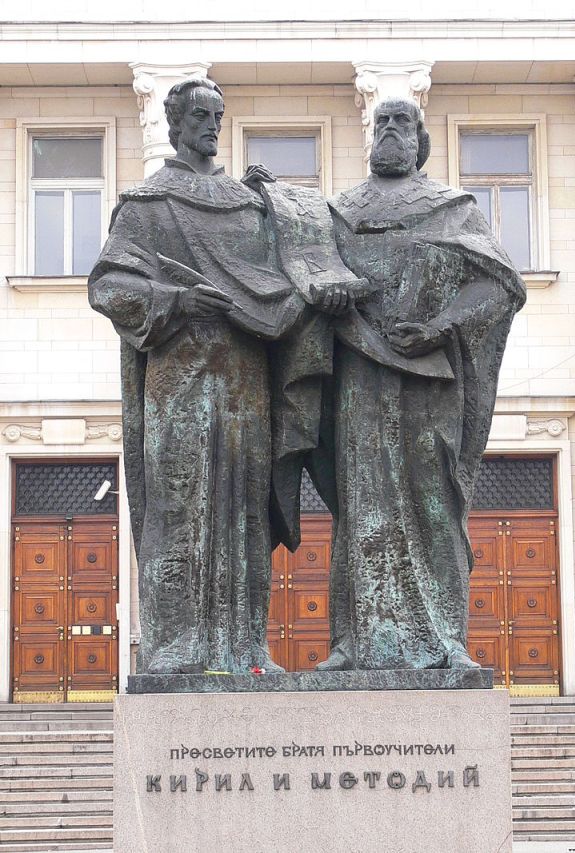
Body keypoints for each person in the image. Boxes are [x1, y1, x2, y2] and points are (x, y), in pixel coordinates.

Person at [88, 78, 350, 675]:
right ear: (174, 125)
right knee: (182, 505)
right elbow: (109, 286)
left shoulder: (246, 203)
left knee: (244, 509)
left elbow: (287, 277)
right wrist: (179, 302)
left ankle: (244, 649)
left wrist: (283, 211)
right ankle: (176, 651)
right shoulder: (147, 204)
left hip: (245, 376)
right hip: (179, 380)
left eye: (218, 115)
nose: (211, 125)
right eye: (200, 116)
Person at [317, 98, 526, 671]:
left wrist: (439, 326)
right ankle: (353, 643)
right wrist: (330, 296)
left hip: (430, 382)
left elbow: (501, 286)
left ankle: (445, 640)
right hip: (358, 376)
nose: (388, 130)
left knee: (435, 504)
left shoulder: (453, 209)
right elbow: (310, 279)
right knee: (361, 506)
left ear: (419, 140)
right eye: (380, 122)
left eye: (400, 123)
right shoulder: (337, 213)